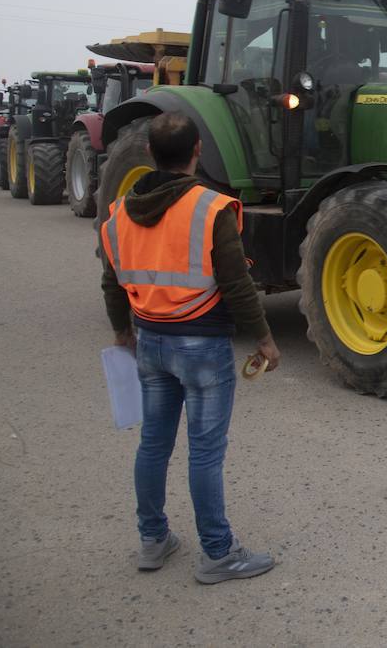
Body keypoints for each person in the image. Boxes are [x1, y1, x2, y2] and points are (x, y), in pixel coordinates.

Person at [100, 111, 281, 584]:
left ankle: (152, 539)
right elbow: (236, 283)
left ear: (148, 153)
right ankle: (219, 554)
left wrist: (122, 331)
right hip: (201, 347)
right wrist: (263, 337)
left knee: (153, 443)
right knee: (204, 452)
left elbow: (111, 280)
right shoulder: (211, 207)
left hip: (150, 342)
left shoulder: (120, 213)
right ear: (198, 151)